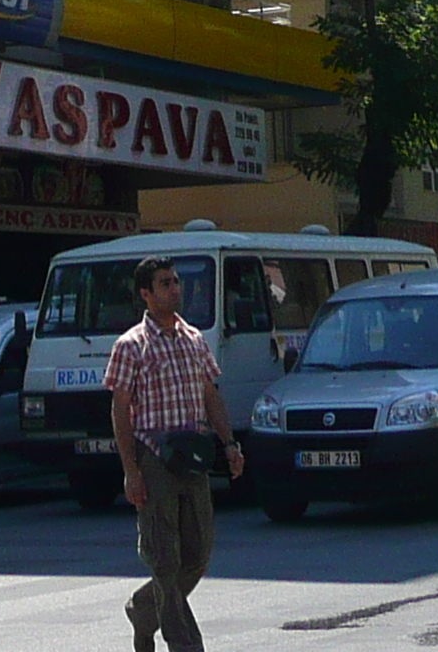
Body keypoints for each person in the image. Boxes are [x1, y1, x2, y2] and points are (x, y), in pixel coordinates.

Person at [108, 256, 245, 652]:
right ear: (146, 294)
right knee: (164, 559)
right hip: (154, 460)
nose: (175, 289)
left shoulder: (193, 340)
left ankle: (143, 609)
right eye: (165, 284)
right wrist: (130, 470)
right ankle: (185, 644)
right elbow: (119, 410)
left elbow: (210, 397)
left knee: (198, 553)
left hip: (194, 459)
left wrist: (230, 444)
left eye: (176, 282)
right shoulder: (131, 345)